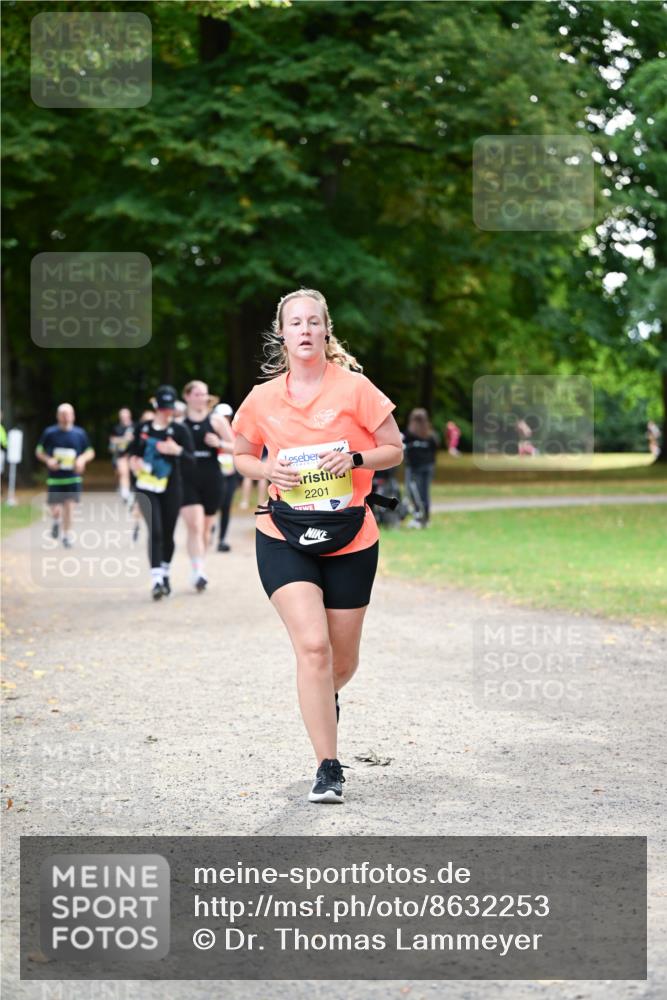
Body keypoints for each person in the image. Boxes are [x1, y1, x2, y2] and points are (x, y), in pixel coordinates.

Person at [233, 288, 403, 804]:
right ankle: (328, 768)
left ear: (325, 331)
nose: (304, 330)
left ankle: (322, 697)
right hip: (284, 534)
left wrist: (355, 459)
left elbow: (394, 448)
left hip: (351, 535)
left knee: (340, 663)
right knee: (313, 648)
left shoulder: (355, 388)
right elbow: (241, 454)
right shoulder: (263, 398)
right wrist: (267, 469)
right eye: (295, 323)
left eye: (313, 322)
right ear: (281, 334)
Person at [128, 386, 194, 600]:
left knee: (167, 533)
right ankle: (156, 580)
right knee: (155, 531)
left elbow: (191, 460)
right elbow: (132, 454)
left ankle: (165, 573)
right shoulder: (142, 428)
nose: (167, 412)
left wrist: (177, 451)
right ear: (155, 406)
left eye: (170, 408)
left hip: (172, 487)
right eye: (163, 408)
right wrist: (134, 463)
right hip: (145, 487)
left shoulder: (180, 431)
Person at [180, 381, 234, 590]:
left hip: (212, 479)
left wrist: (219, 443)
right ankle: (198, 571)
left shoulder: (216, 421)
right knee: (194, 526)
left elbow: (236, 447)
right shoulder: (179, 422)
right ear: (187, 396)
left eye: (204, 394)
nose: (201, 398)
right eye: (197, 394)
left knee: (205, 529)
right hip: (187, 480)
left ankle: (200, 565)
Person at [35, 403, 95, 547]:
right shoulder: (50, 433)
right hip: (55, 478)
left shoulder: (79, 433)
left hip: (73, 477)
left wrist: (82, 459)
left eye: (68, 413)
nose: (66, 417)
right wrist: (48, 460)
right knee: (55, 510)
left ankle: (66, 535)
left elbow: (90, 451)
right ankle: (56, 521)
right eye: (63, 414)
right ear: (58, 416)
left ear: (73, 416)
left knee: (69, 507)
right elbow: (39, 451)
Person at [403, 408, 438, 526]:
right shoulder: (430, 435)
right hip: (428, 466)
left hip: (415, 468)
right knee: (424, 493)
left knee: (415, 492)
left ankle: (419, 515)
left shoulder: (409, 434)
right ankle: (425, 517)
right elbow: (434, 450)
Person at [213, 402, 240, 552]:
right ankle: (208, 530)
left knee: (226, 506)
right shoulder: (210, 431)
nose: (225, 419)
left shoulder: (233, 433)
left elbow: (238, 450)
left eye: (227, 416)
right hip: (213, 476)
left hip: (229, 475)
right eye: (222, 416)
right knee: (212, 506)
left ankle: (222, 539)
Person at [109, 407, 135, 502]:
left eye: (125, 415)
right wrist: (124, 439)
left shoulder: (135, 426)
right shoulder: (116, 428)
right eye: (122, 416)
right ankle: (125, 493)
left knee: (132, 474)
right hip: (121, 455)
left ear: (129, 416)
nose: (124, 417)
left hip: (133, 455)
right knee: (123, 473)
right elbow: (112, 441)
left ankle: (130, 491)